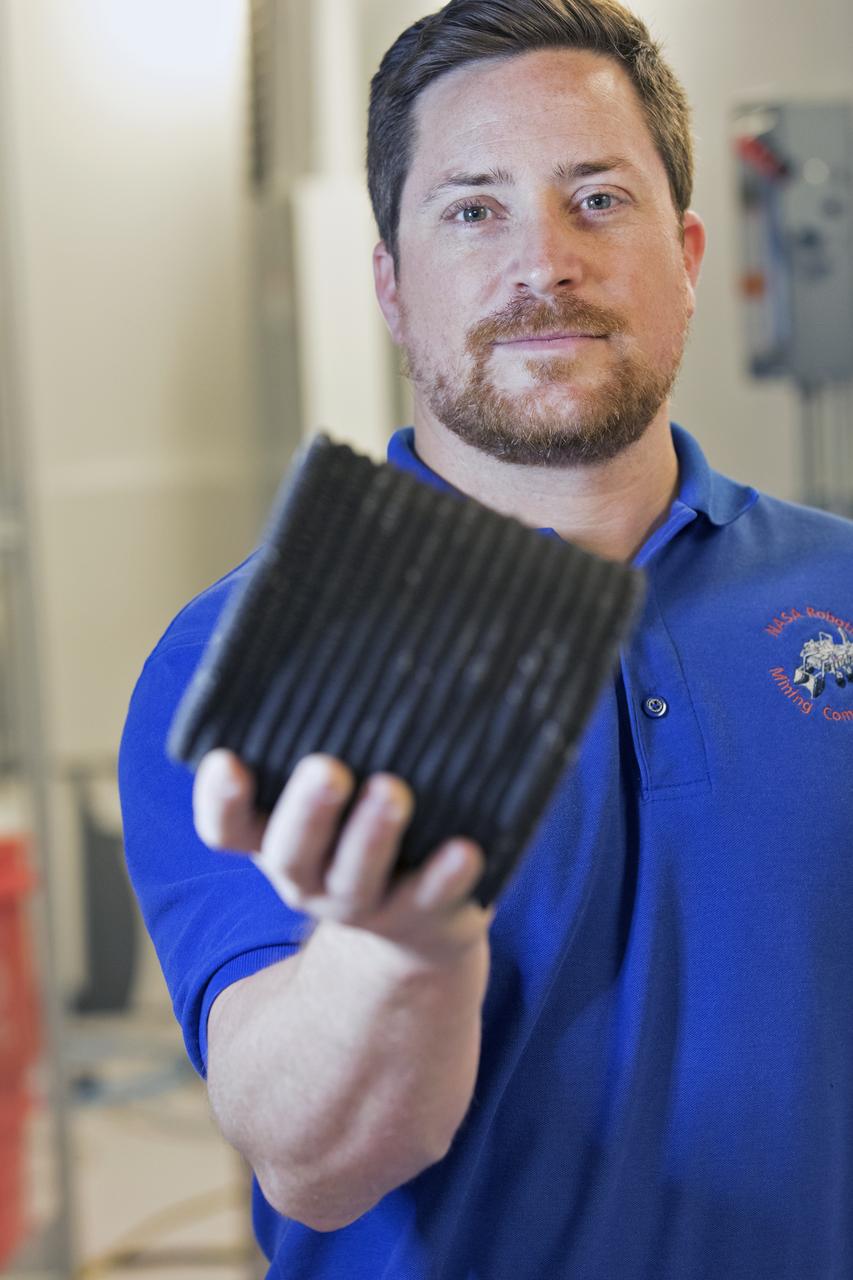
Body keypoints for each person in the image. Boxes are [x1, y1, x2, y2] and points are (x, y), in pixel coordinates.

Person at [118, 1, 853, 1276]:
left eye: (598, 199)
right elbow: (317, 1159)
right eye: (472, 209)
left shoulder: (835, 590)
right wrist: (401, 943)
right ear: (392, 286)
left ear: (686, 255)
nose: (545, 262)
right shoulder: (244, 654)